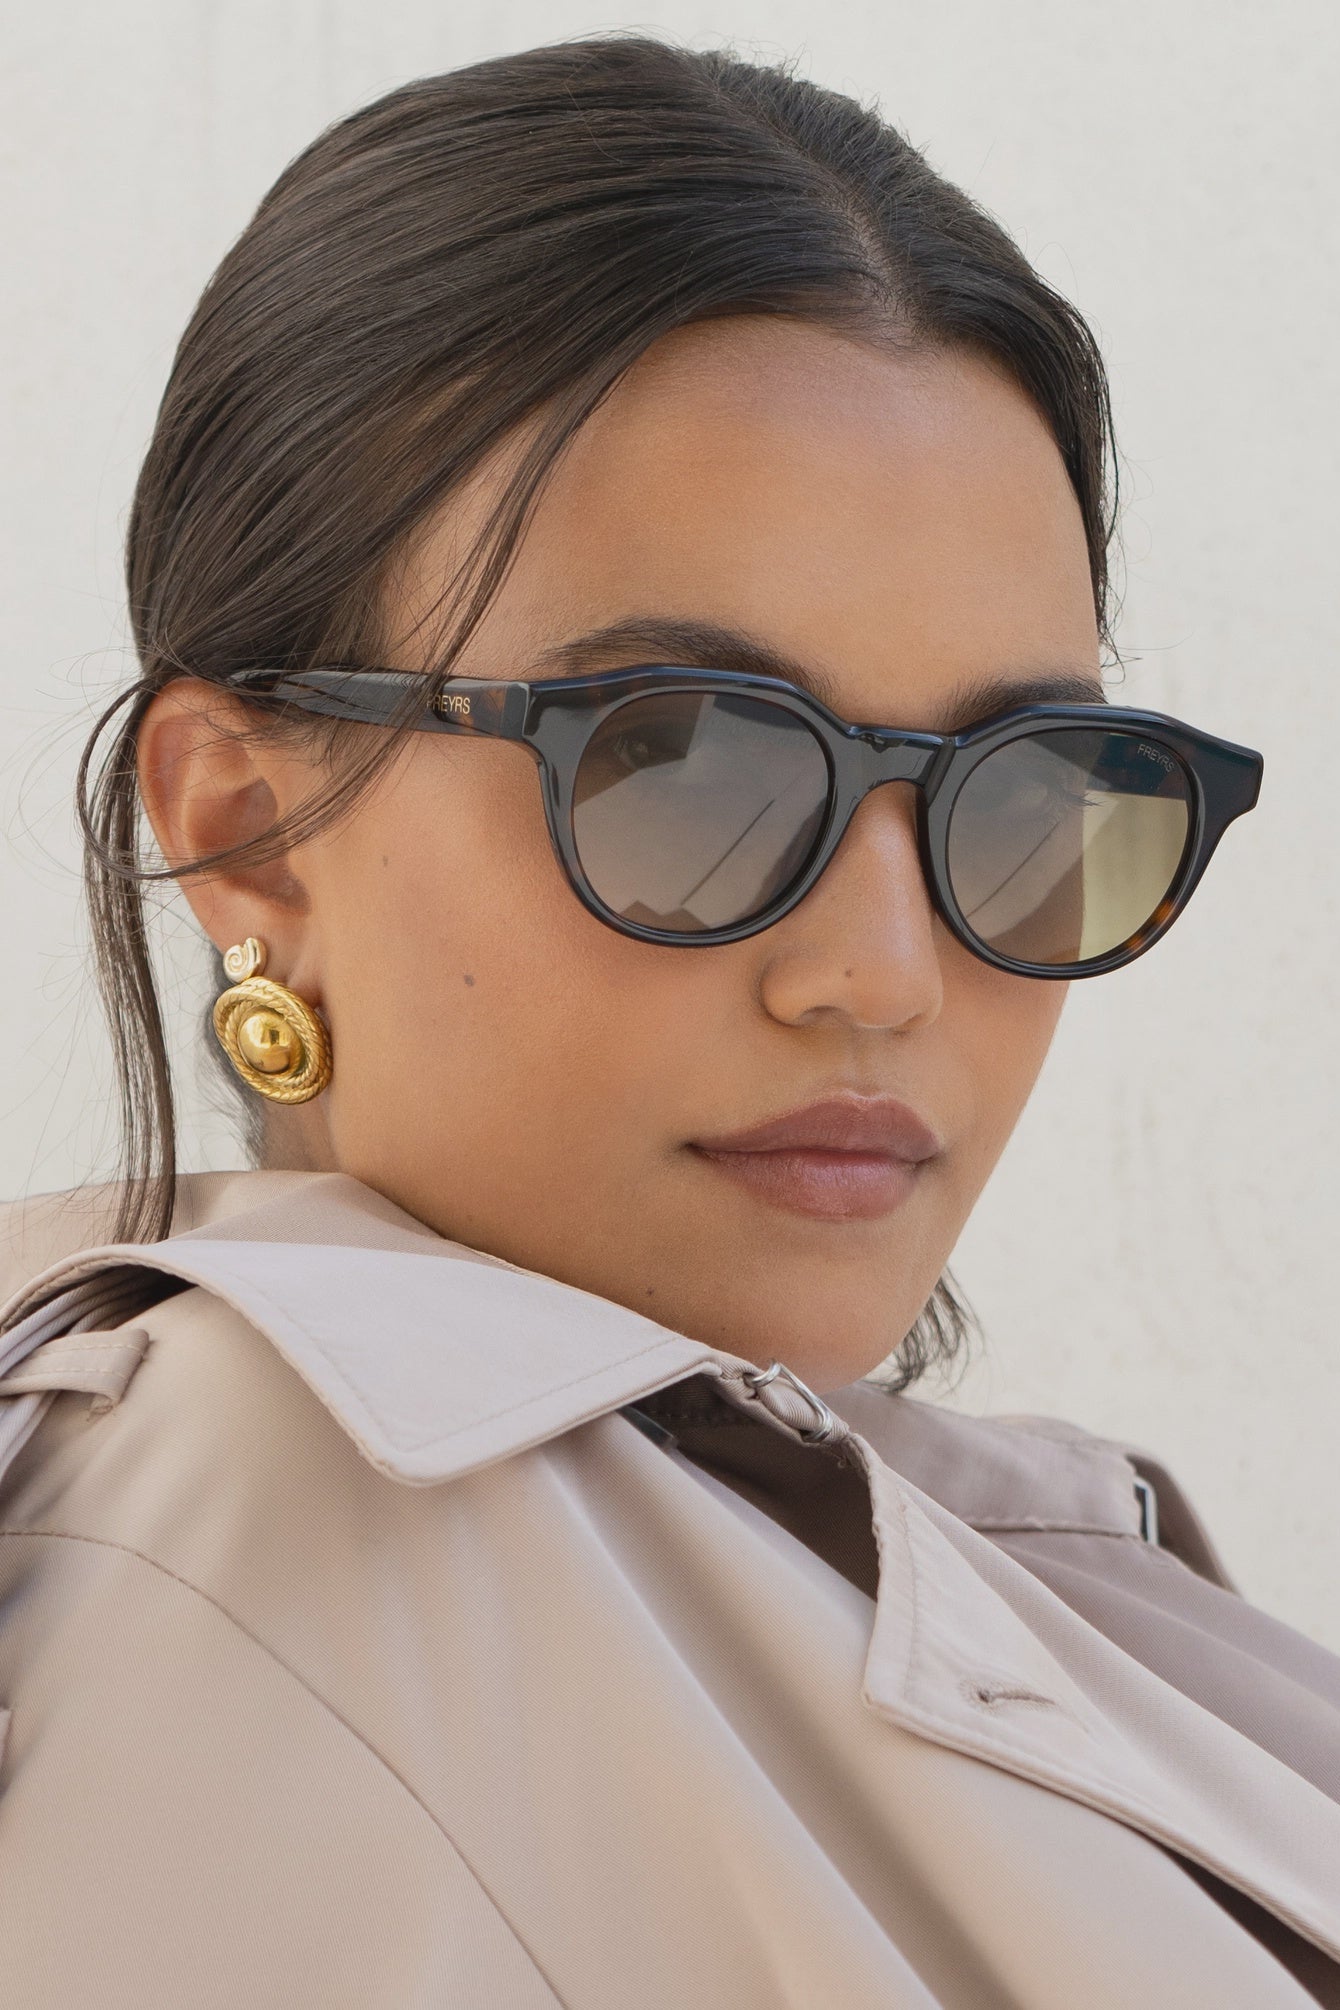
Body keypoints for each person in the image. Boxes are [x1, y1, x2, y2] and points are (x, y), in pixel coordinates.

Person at [0, 32, 1336, 2009]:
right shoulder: (258, 1526)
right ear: (248, 832)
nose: (881, 970)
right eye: (685, 761)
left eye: (1026, 783)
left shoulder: (928, 1550)